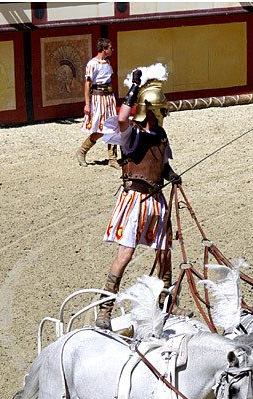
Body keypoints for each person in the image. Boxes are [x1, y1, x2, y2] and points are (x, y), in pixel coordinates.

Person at [94, 66, 191, 330]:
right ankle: (104, 310)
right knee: (125, 254)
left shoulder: (160, 134)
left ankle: (167, 302)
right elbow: (122, 119)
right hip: (135, 199)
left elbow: (163, 162)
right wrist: (133, 90)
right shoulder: (131, 134)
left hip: (156, 198)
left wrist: (172, 174)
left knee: (165, 251)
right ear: (150, 108)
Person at [77, 37, 119, 168]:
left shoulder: (107, 63)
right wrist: (87, 104)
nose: (112, 50)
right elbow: (87, 84)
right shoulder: (92, 64)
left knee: (113, 126)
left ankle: (112, 159)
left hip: (109, 98)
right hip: (98, 98)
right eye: (110, 48)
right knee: (101, 128)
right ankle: (81, 151)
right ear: (104, 49)